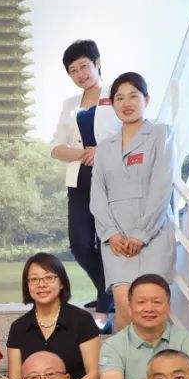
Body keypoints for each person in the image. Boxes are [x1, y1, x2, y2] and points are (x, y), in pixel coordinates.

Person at [90, 71, 177, 330]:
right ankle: (123, 359)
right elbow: (97, 194)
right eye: (119, 98)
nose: (126, 103)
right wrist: (111, 234)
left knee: (151, 311)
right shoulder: (104, 147)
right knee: (125, 309)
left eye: (133, 96)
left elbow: (162, 186)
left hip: (153, 235)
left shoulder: (161, 134)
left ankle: (160, 359)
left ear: (146, 100)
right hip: (116, 241)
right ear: (112, 104)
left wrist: (142, 233)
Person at [50, 40, 121, 323]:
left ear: (97, 63)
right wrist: (84, 153)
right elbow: (56, 147)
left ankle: (104, 305)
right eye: (73, 70)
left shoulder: (116, 93)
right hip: (78, 181)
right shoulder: (69, 105)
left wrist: (102, 151)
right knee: (79, 243)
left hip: (111, 181)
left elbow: (131, 133)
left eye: (84, 66)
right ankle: (107, 292)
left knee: (106, 242)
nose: (80, 74)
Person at [7, 253, 102, 379]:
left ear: (62, 283)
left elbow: (94, 374)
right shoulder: (18, 327)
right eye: (34, 279)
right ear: (27, 285)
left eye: (49, 278)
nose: (41, 284)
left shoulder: (82, 320)